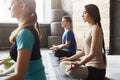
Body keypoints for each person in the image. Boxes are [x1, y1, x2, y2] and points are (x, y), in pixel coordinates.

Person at [0, 0, 46, 80]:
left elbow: (19, 76)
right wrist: (5, 72)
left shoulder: (25, 33)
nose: (9, 8)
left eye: (12, 4)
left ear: (22, 6)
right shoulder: (28, 30)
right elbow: (22, 64)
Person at [60, 4, 107, 80]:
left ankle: (88, 75)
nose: (82, 15)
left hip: (96, 69)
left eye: (85, 13)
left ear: (92, 14)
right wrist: (69, 59)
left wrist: (79, 64)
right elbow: (83, 52)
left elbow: (92, 54)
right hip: (87, 65)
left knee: (71, 72)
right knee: (63, 63)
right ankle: (84, 73)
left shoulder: (96, 29)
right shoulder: (87, 31)